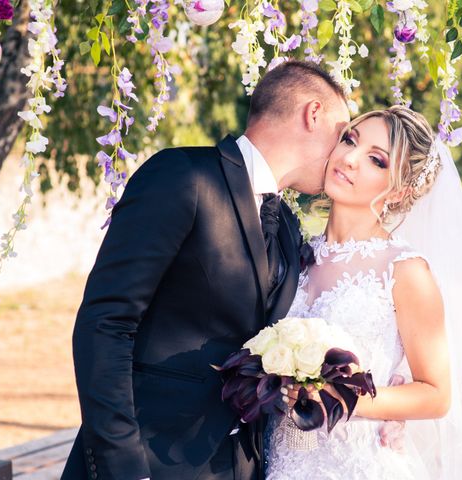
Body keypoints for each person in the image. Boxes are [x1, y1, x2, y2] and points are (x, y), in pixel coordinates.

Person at [61, 60, 351, 480]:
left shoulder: (287, 226)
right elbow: (106, 322)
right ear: (313, 113)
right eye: (343, 135)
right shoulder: (183, 176)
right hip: (146, 461)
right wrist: (120, 463)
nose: (343, 152)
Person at [268, 106, 462, 479]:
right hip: (279, 459)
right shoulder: (291, 253)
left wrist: (342, 397)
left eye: (376, 160)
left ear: (400, 191)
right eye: (349, 140)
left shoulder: (406, 271)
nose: (349, 159)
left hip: (354, 466)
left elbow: (436, 394)